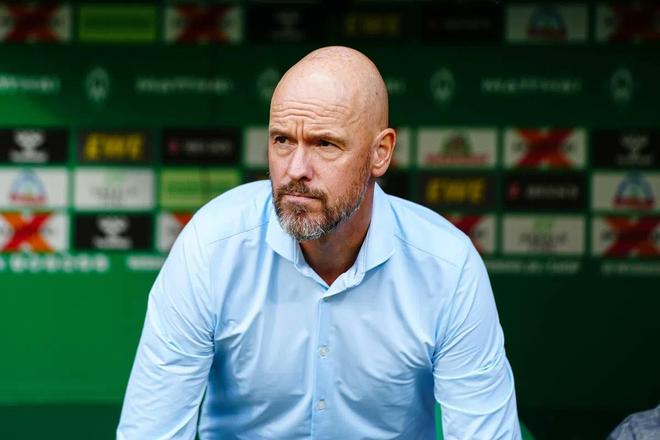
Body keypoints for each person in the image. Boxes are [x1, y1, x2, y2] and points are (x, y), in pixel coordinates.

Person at [117, 46, 520, 439]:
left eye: (325, 144)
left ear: (380, 153)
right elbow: (152, 431)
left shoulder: (448, 267)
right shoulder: (210, 247)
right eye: (282, 140)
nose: (296, 169)